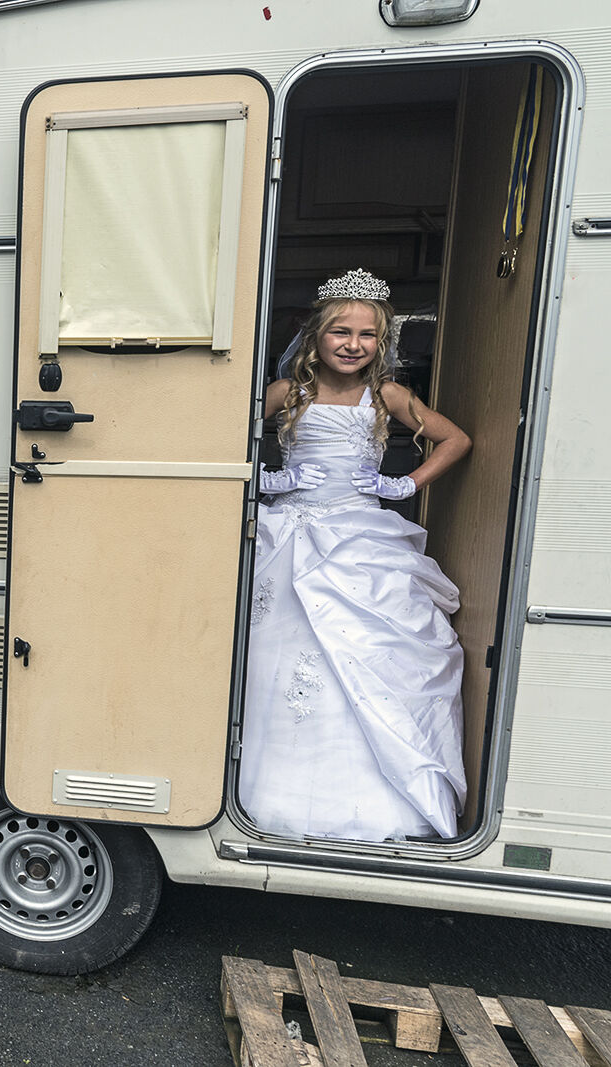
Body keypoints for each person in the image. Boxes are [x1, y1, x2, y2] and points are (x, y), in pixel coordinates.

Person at [238, 268, 473, 842]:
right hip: (290, 533)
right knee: (280, 654)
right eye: (341, 332)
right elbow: (216, 441)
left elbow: (456, 439)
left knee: (372, 652)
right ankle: (266, 793)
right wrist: (271, 478)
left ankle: (377, 799)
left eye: (367, 336)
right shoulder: (286, 392)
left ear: (381, 342)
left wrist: (406, 485)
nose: (352, 345)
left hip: (359, 536)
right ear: (315, 335)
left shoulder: (386, 394)